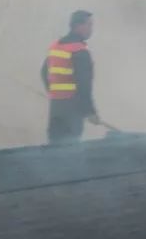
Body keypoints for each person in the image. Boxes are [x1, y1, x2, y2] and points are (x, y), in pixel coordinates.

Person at [41, 10, 101, 144]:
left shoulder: (56, 47)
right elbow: (84, 85)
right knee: (70, 150)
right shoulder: (79, 51)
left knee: (55, 145)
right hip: (72, 110)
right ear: (78, 26)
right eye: (89, 25)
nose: (91, 29)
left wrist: (53, 93)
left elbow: (44, 72)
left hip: (56, 108)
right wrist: (90, 112)